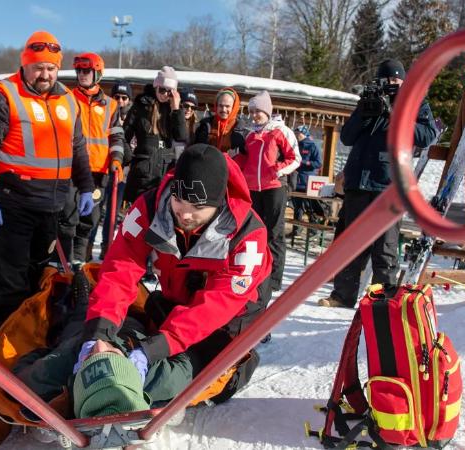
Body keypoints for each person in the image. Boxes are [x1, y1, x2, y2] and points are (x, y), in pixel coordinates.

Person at [78, 144, 271, 404]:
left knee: (199, 363)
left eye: (197, 206)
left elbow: (214, 308)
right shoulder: (150, 207)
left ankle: (129, 389)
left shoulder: (248, 236)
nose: (185, 213)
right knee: (140, 320)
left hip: (229, 319)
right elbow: (119, 270)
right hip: (179, 295)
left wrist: (155, 349)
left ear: (219, 203)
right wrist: (98, 333)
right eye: (179, 200)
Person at [0, 30, 95, 336]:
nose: (45, 74)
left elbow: (77, 147)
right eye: (38, 66)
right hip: (11, 207)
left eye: (51, 68)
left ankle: (30, 344)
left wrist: (87, 185)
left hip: (51, 209)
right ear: (24, 64)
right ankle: (1, 353)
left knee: (42, 282)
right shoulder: (1, 96)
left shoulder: (68, 99)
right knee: (9, 288)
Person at [319, 59, 438, 308]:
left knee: (385, 248)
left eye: (395, 80)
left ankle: (382, 301)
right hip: (358, 182)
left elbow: (427, 135)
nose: (391, 85)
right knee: (351, 244)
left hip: (389, 185)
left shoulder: (414, 103)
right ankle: (343, 295)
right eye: (386, 80)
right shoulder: (369, 101)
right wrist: (365, 111)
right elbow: (348, 137)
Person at [58, 52, 125, 264]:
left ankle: (78, 263)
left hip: (98, 173)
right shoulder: (67, 99)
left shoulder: (111, 105)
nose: (82, 75)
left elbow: (117, 136)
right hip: (72, 169)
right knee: (68, 218)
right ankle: (62, 264)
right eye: (79, 71)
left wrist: (116, 159)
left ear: (97, 73)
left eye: (86, 71)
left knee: (89, 221)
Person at [234, 91, 300, 299]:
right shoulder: (250, 135)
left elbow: (295, 158)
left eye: (258, 111)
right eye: (251, 111)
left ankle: (274, 278)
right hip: (253, 189)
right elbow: (244, 161)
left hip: (274, 187)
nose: (254, 115)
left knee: (274, 232)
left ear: (267, 111)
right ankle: (257, 273)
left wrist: (278, 169)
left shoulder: (280, 131)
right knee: (254, 233)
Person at [122, 66, 188, 204]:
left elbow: (181, 136)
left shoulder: (173, 109)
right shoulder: (141, 105)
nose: (165, 94)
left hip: (163, 175)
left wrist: (176, 109)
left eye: (169, 92)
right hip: (142, 174)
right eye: (162, 89)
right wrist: (131, 160)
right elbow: (124, 135)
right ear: (155, 87)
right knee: (137, 219)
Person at [99, 79, 134, 258]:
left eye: (124, 98)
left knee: (119, 212)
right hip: (105, 169)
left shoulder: (133, 118)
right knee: (100, 211)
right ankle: (100, 245)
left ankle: (114, 247)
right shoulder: (107, 114)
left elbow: (130, 148)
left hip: (125, 172)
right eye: (117, 97)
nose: (120, 101)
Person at [289, 125, 326, 237]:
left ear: (304, 133)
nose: (296, 135)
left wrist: (305, 163)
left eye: (298, 133)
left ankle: (313, 230)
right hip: (296, 180)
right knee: (297, 207)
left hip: (308, 182)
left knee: (310, 206)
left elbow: (318, 163)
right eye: (295, 134)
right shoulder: (295, 145)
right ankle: (296, 231)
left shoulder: (312, 145)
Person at [194, 87, 249, 157]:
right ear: (216, 106)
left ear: (234, 107)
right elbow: (197, 149)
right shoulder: (206, 125)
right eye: (220, 105)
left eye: (227, 106)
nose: (223, 109)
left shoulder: (241, 129)